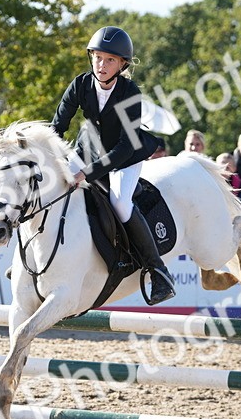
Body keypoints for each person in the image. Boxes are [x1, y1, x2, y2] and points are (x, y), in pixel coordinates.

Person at [50, 25, 175, 305]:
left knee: (120, 203)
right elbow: (57, 127)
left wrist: (87, 173)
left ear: (122, 65)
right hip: (89, 148)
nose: (101, 64)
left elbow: (124, 147)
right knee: (54, 187)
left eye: (109, 60)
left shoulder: (129, 92)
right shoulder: (80, 85)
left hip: (124, 157)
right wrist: (49, 158)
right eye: (97, 57)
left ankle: (158, 271)